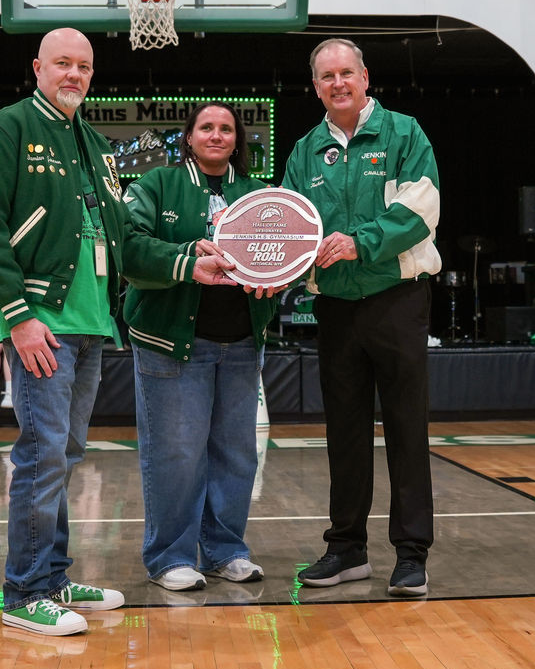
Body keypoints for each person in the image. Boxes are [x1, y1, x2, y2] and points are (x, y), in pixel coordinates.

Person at [0, 27, 236, 637]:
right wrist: (18, 317)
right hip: (44, 327)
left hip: (90, 328)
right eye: (62, 63)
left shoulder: (89, 142)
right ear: (37, 67)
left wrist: (191, 259)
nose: (73, 75)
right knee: (42, 455)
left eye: (83, 66)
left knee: (65, 454)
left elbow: (128, 245)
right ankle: (25, 593)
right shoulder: (5, 131)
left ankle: (53, 577)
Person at [282, 37, 441, 597]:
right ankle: (346, 548)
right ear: (317, 86)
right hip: (336, 306)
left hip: (397, 300)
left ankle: (411, 554)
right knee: (344, 432)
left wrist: (360, 242)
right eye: (327, 77)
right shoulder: (305, 151)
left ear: (365, 77)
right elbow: (290, 226)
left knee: (405, 427)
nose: (338, 83)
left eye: (346, 73)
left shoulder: (404, 134)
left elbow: (420, 210)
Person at [122, 102, 277, 592]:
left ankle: (225, 550)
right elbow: (128, 246)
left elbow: (284, 251)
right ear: (189, 137)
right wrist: (187, 256)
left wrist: (277, 277)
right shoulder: (156, 185)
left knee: (237, 453)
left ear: (237, 140)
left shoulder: (258, 195)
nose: (217, 135)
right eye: (207, 127)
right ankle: (169, 557)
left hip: (241, 343)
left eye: (227, 128)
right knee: (177, 454)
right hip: (171, 343)